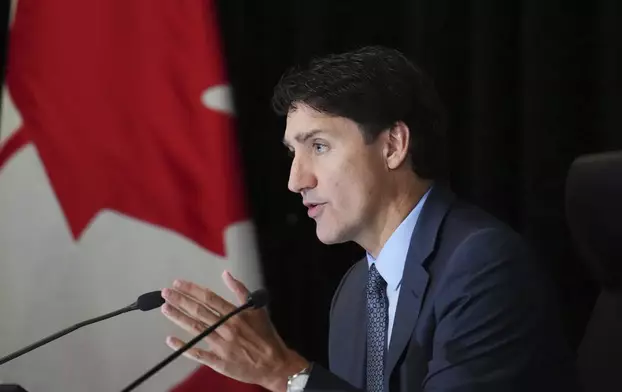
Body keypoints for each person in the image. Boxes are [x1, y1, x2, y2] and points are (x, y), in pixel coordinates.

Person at [159, 46, 579, 392]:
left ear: (393, 145)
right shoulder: (355, 292)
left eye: (319, 146)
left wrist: (284, 374)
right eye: (293, 153)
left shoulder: (482, 266)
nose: (295, 180)